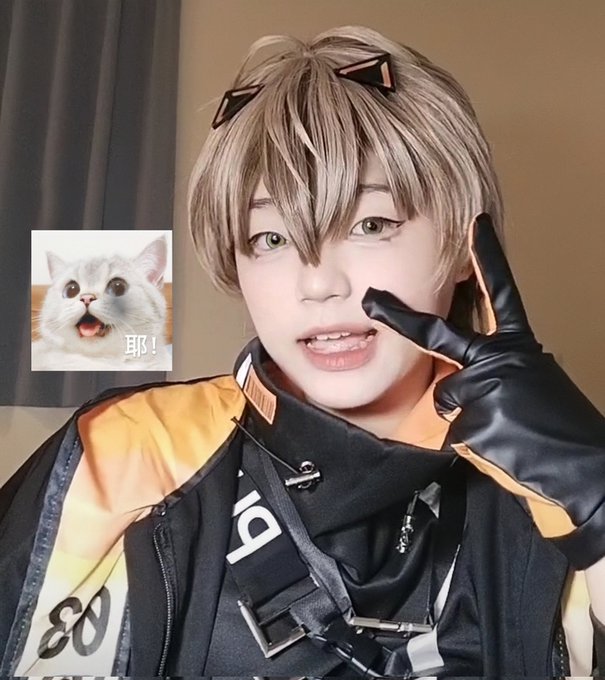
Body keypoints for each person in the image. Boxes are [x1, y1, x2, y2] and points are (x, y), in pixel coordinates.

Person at [1, 25, 604, 677]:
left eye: (370, 224)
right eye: (270, 238)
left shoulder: (554, 483)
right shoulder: (127, 453)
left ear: (464, 247)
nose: (318, 283)